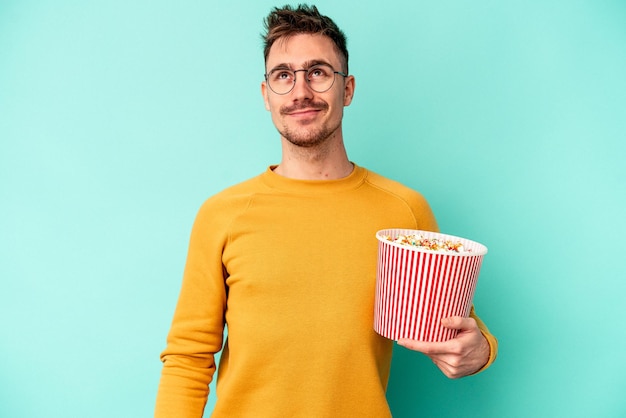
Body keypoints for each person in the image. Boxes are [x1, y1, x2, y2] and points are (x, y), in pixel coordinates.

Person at [155, 4, 497, 417]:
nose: (300, 91)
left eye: (318, 72)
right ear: (266, 95)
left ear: (347, 89)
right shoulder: (222, 214)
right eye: (283, 75)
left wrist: (481, 350)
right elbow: (188, 358)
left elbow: (456, 325)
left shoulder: (404, 211)